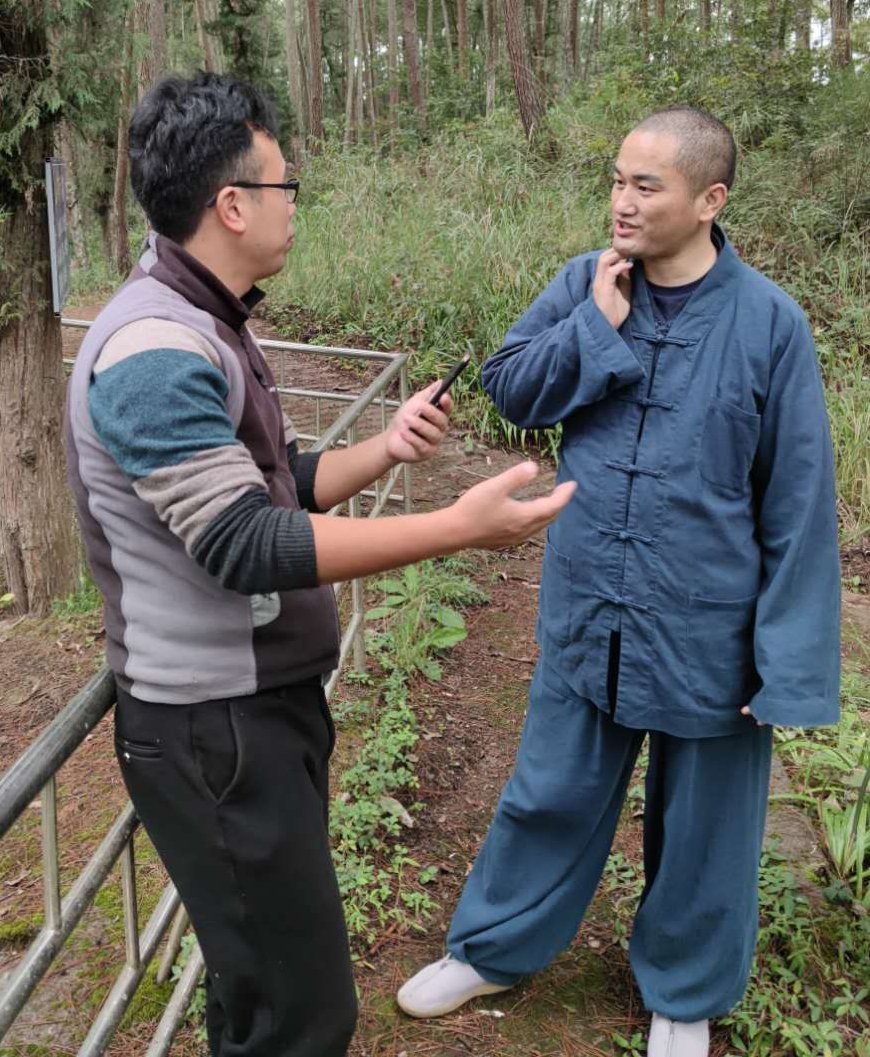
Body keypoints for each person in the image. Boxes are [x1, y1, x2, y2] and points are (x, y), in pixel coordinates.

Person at [65, 71, 575, 1057]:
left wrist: (385, 448)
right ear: (233, 204)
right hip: (215, 730)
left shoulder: (209, 318)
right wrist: (458, 527)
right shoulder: (154, 347)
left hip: (254, 713)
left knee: (261, 992)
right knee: (303, 1018)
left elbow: (276, 485)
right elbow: (244, 542)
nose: (295, 205)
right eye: (285, 185)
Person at [397, 107, 841, 1057]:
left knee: (707, 827)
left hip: (710, 629)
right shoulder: (584, 282)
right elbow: (511, 388)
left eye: (646, 185)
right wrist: (594, 328)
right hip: (590, 605)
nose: (622, 202)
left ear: (710, 199)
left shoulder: (770, 323)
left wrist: (787, 664)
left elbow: (799, 502)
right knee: (549, 790)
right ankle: (492, 949)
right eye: (616, 180)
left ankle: (685, 991)